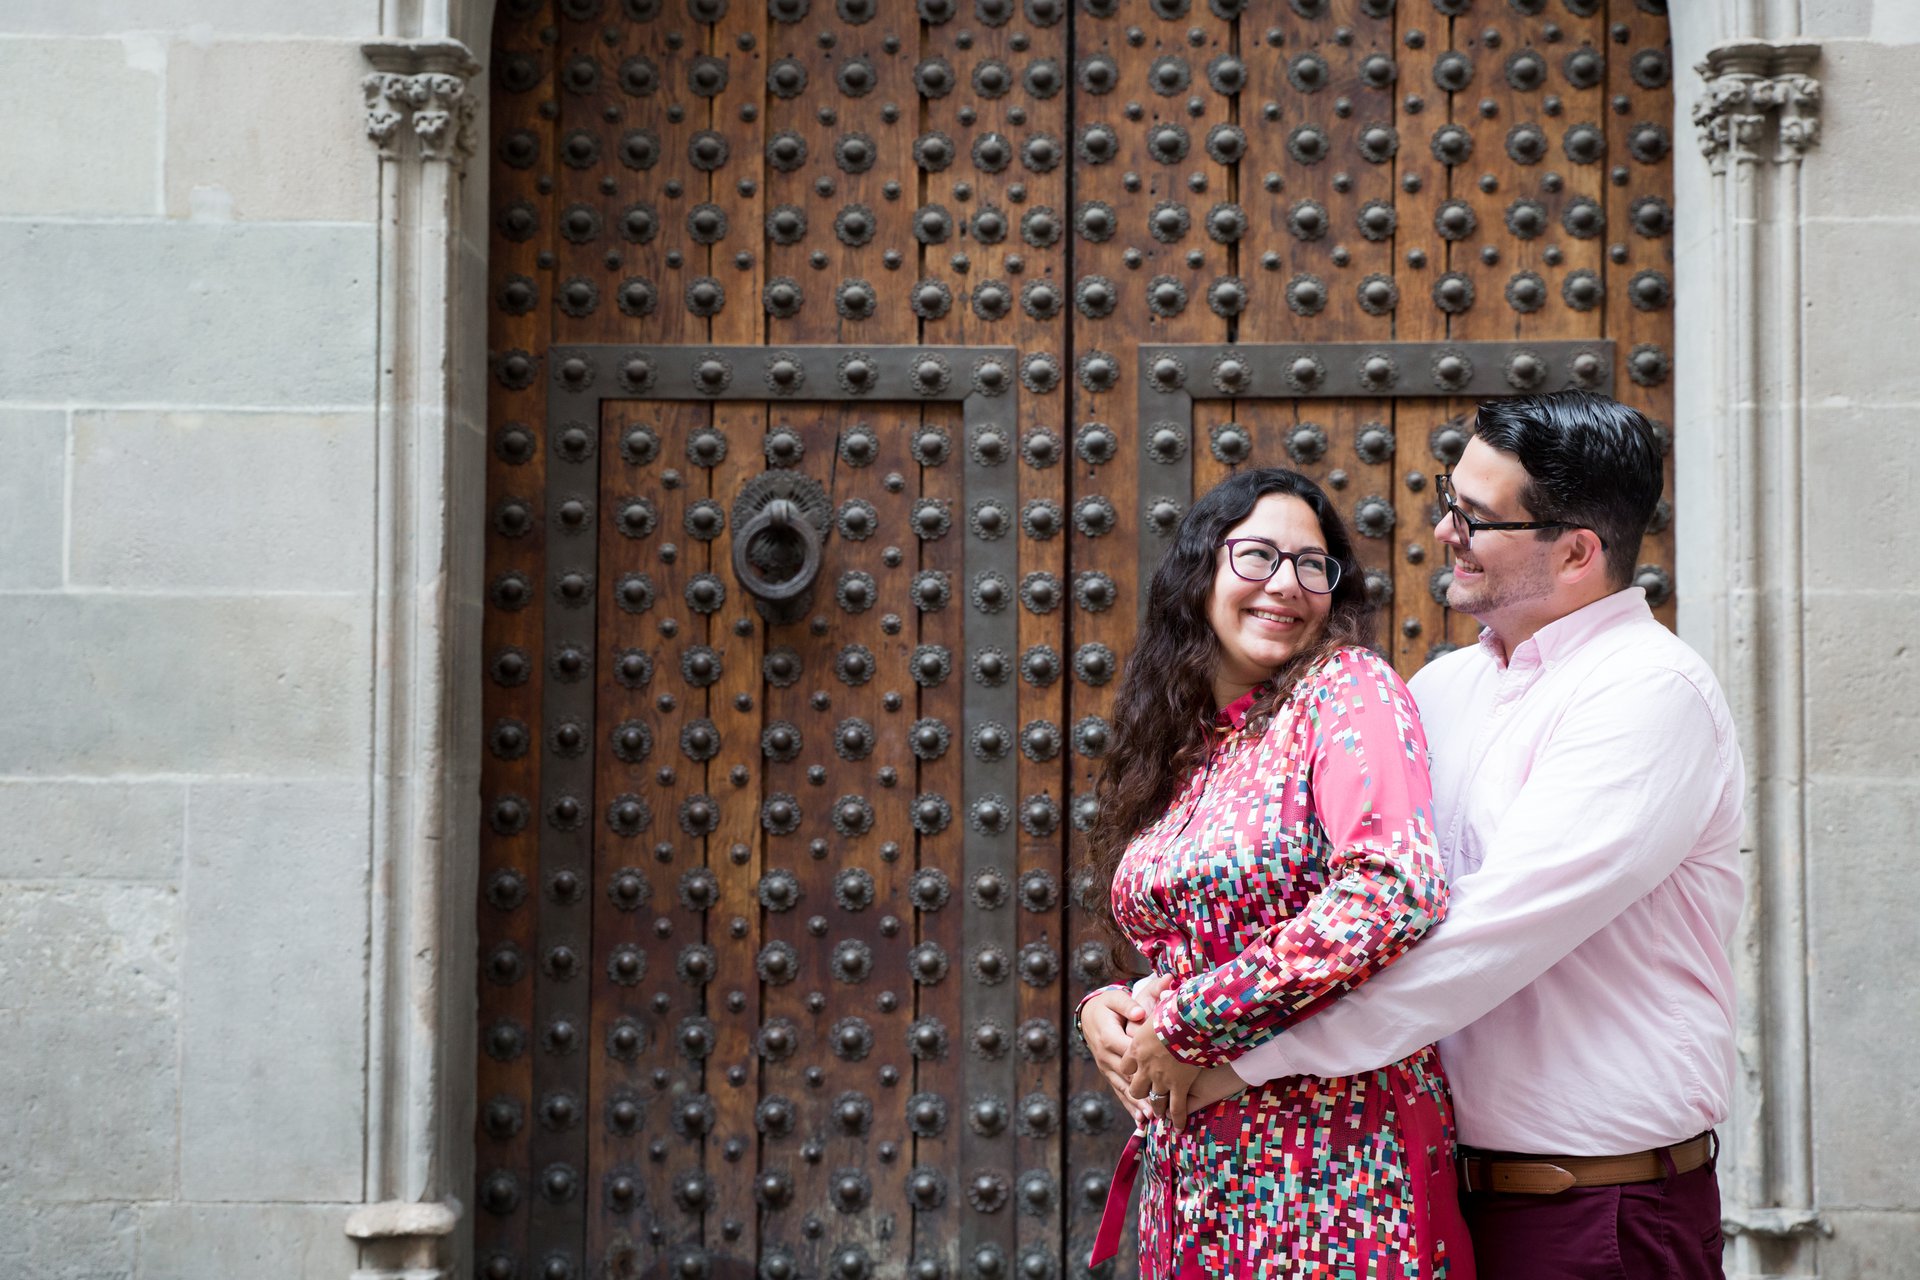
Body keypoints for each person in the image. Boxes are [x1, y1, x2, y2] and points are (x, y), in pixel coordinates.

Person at [1088, 391, 1746, 1280]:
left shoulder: (1648, 693)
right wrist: (1135, 1001)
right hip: (1426, 1187)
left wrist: (1232, 1058)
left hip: (1594, 1209)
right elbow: (1304, 902)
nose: (1442, 531)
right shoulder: (1440, 691)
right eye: (1448, 499)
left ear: (1577, 552)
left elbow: (1476, 939)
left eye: (1475, 517)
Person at [1072, 467, 1474, 1279]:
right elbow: (1204, 934)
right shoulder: (1186, 743)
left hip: (1336, 1166)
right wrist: (1114, 1008)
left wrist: (1186, 1024)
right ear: (1200, 572)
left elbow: (1391, 891)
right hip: (1196, 1173)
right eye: (1257, 556)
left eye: (1311, 565)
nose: (1286, 584)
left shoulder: (1346, 690)